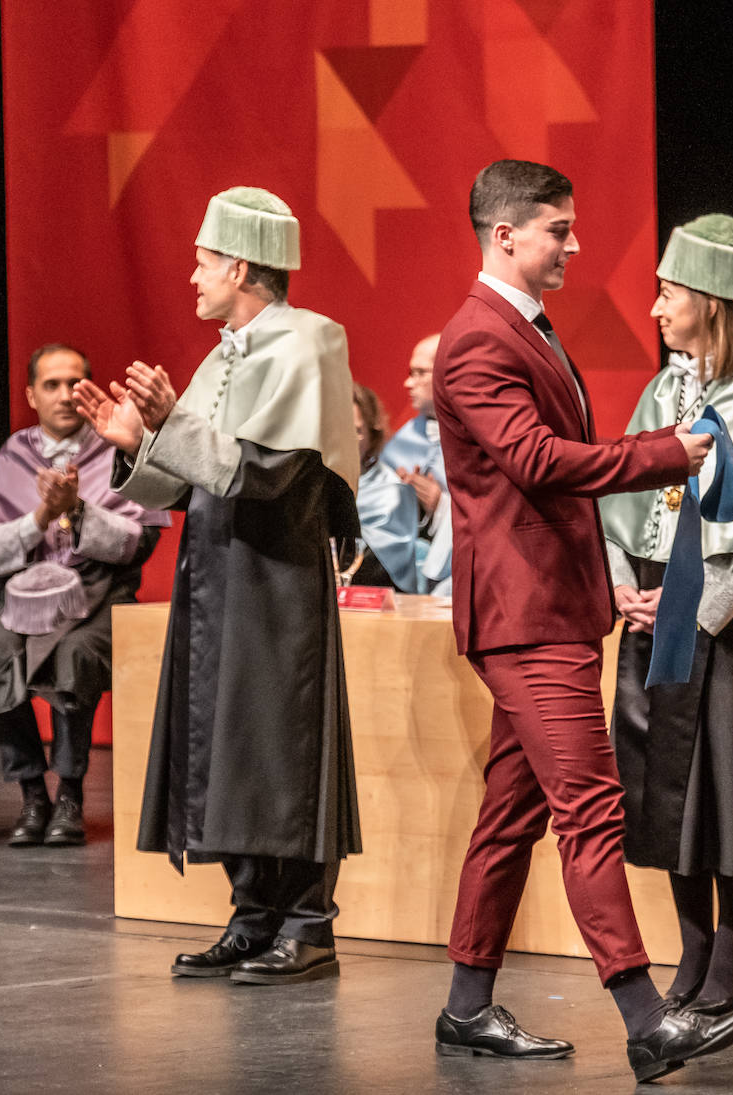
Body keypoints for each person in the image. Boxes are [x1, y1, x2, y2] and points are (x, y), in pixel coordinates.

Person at [431, 160, 733, 1083]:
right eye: (558, 230)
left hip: (551, 610)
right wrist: (668, 452)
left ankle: (466, 1007)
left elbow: (537, 484)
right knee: (592, 813)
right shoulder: (475, 340)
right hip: (525, 622)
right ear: (505, 236)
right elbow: (537, 461)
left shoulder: (520, 328)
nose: (575, 246)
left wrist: (598, 582)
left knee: (511, 817)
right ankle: (648, 1018)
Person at [72, 187, 362, 985]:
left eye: (202, 261)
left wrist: (173, 424)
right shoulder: (225, 349)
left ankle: (307, 925)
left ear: (240, 265)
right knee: (225, 738)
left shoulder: (308, 342)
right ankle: (252, 914)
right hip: (217, 571)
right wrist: (140, 440)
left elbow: (267, 471)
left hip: (276, 577)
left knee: (280, 742)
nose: (191, 276)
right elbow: (187, 480)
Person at [599, 214, 733, 1017]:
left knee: (726, 787)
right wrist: (624, 582)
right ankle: (691, 943)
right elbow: (623, 493)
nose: (655, 306)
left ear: (714, 302)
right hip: (656, 610)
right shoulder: (663, 389)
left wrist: (694, 612)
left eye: (668, 291)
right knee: (666, 784)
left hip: (721, 621)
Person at [0, 343, 168, 846]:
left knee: (74, 655)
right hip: (24, 602)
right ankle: (32, 794)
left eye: (75, 383)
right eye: (52, 385)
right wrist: (41, 518)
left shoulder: (115, 446)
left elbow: (139, 542)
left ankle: (70, 792)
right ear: (31, 394)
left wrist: (80, 511)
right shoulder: (14, 454)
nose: (66, 395)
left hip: (100, 599)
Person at [378, 333, 452, 594]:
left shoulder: (486, 437)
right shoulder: (404, 439)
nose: (408, 383)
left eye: (420, 373)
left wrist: (440, 505)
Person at [346, 382, 419, 588]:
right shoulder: (314, 487)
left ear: (372, 433)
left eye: (357, 431)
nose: (348, 440)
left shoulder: (392, 491)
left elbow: (379, 569)